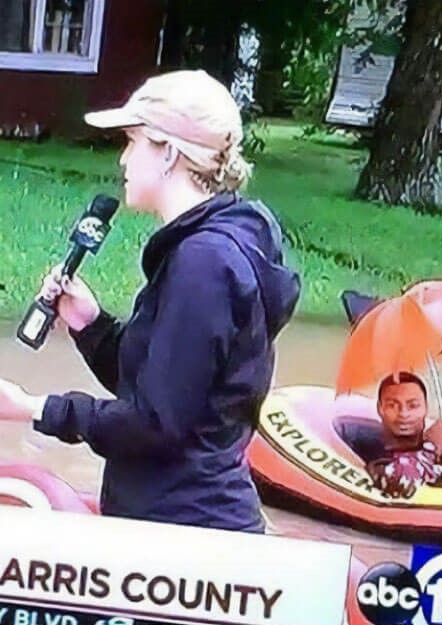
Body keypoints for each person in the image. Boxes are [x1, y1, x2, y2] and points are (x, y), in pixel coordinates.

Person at [0, 70, 300, 533]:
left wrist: (33, 407)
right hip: (178, 523)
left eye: (132, 142)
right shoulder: (208, 249)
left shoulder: (204, 263)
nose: (123, 160)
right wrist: (90, 325)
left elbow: (154, 425)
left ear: (169, 154)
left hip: (188, 536)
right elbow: (164, 389)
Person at [335, 372, 442, 498]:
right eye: (393, 405)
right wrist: (432, 449)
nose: (403, 414)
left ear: (426, 408)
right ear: (380, 409)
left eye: (413, 405)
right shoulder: (373, 450)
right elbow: (401, 485)